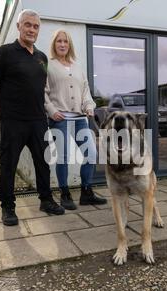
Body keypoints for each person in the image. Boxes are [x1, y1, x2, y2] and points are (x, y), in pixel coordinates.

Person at [0, 9, 64, 226]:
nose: (31, 29)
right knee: (9, 165)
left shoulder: (41, 57)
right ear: (19, 26)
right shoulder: (5, 52)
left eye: (35, 26)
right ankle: (8, 208)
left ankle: (46, 200)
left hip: (38, 121)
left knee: (43, 163)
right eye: (27, 25)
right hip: (14, 122)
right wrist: (4, 111)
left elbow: (40, 88)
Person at [45, 29, 107, 210]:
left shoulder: (77, 67)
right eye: (59, 41)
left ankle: (86, 192)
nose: (63, 44)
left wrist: (89, 107)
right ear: (54, 45)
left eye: (65, 41)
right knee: (63, 157)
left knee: (91, 154)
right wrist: (51, 110)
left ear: (69, 44)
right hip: (60, 118)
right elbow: (43, 92)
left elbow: (86, 92)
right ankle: (65, 193)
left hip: (80, 118)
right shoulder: (48, 66)